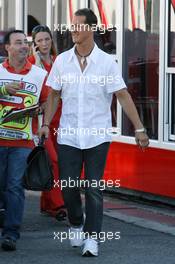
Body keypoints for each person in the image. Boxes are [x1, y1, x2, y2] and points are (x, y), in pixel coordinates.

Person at [39, 8, 149, 257]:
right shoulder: (62, 61)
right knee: (68, 186)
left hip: (97, 135)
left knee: (93, 188)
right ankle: (76, 222)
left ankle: (92, 239)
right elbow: (54, 94)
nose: (73, 30)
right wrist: (46, 124)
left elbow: (122, 95)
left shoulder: (106, 62)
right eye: (72, 26)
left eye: (78, 26)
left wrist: (140, 128)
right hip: (68, 135)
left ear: (91, 28)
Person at [0, 29, 48, 251]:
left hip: (23, 141)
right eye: (18, 43)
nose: (23, 46)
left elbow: (49, 102)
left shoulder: (38, 75)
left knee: (14, 186)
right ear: (7, 48)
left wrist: (42, 116)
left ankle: (11, 233)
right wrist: (3, 89)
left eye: (25, 43)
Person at [28, 25, 66, 220]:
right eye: (39, 41)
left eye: (47, 40)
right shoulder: (31, 63)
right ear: (34, 44)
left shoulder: (59, 61)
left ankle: (47, 203)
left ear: (52, 41)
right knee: (52, 161)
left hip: (61, 118)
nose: (44, 44)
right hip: (42, 121)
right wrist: (35, 61)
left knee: (60, 162)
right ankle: (59, 206)